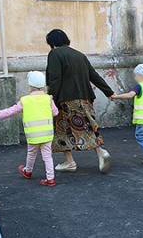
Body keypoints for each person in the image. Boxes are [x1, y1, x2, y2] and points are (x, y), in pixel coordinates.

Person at [45, 29, 114, 173]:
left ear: (51, 42)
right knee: (88, 126)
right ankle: (100, 152)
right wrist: (109, 92)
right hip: (85, 98)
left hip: (65, 100)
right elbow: (94, 76)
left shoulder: (54, 54)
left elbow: (55, 79)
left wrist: (50, 98)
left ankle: (70, 162)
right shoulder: (79, 55)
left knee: (61, 130)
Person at [0, 71, 59, 187]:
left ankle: (28, 171)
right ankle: (50, 178)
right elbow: (55, 112)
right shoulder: (48, 99)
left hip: (33, 134)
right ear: (43, 86)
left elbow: (11, 111)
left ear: (30, 86)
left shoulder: (25, 100)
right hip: (47, 134)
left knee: (31, 153)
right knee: (47, 156)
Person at [111, 63, 143, 164]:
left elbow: (129, 95)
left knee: (140, 135)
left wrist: (116, 97)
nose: (135, 77)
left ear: (140, 76)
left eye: (136, 75)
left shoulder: (139, 86)